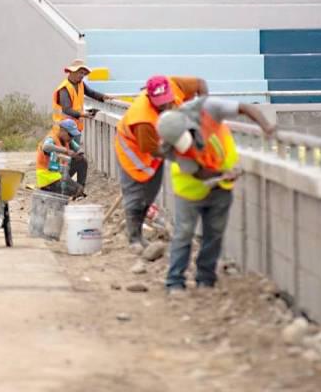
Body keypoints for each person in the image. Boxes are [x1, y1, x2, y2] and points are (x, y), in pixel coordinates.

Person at [157, 97, 274, 293]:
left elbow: (244, 107)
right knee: (183, 234)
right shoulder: (173, 145)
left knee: (214, 234)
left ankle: (206, 279)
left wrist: (266, 127)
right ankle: (175, 281)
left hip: (221, 187)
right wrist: (223, 174)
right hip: (189, 189)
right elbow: (197, 172)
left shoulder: (208, 109)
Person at [115, 75, 208, 250]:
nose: (166, 106)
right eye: (160, 103)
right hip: (134, 149)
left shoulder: (174, 84)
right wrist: (183, 155)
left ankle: (140, 232)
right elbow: (151, 149)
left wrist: (202, 114)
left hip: (159, 140)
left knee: (151, 191)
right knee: (136, 193)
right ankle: (134, 238)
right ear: (150, 98)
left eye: (168, 101)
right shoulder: (142, 118)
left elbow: (200, 83)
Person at [53, 60, 108, 142]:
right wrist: (82, 114)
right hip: (64, 130)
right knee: (69, 152)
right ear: (72, 72)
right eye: (80, 73)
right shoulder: (64, 88)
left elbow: (91, 93)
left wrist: (103, 97)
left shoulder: (80, 84)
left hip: (75, 128)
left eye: (84, 73)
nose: (82, 76)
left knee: (75, 152)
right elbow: (66, 109)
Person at [35, 121, 87, 199]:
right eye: (70, 135)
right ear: (62, 131)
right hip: (48, 178)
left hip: (59, 173)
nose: (72, 137)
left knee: (82, 161)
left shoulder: (67, 139)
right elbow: (46, 147)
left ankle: (79, 188)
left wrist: (79, 153)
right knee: (75, 189)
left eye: (73, 135)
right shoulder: (51, 138)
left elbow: (79, 149)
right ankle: (69, 192)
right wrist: (66, 151)